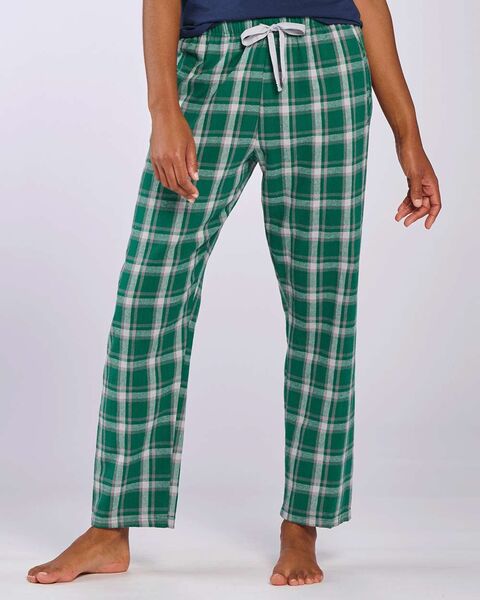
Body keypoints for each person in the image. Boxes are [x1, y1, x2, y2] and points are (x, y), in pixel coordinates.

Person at [27, 0, 441, 587]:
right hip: (213, 64)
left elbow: (369, 3)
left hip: (327, 69)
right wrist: (164, 108)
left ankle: (302, 523)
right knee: (149, 294)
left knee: (322, 307)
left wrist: (409, 139)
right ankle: (110, 527)